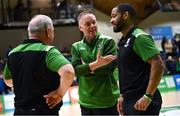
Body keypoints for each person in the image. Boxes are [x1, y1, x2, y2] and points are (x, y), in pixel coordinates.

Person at [3, 14, 75, 115]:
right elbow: (68, 71)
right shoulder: (48, 51)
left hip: (19, 112)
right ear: (48, 31)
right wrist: (59, 93)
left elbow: (8, 81)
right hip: (44, 111)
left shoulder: (12, 53)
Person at [110, 3, 165, 115]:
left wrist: (148, 96)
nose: (111, 20)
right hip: (129, 100)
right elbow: (125, 72)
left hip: (142, 100)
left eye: (114, 16)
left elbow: (158, 64)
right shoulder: (122, 41)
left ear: (125, 15)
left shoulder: (139, 37)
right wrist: (122, 96)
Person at [71, 10, 119, 115]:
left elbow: (109, 68)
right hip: (86, 102)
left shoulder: (108, 42)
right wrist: (97, 64)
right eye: (88, 24)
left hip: (107, 101)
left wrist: (86, 68)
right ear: (80, 28)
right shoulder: (76, 46)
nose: (92, 26)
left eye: (94, 22)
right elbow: (76, 71)